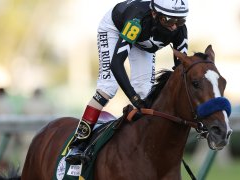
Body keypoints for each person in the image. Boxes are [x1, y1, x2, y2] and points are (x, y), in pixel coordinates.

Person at [65, 0, 189, 164]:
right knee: (107, 87)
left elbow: (181, 72)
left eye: (179, 20)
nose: (174, 26)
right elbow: (116, 63)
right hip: (115, 29)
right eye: (169, 20)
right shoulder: (137, 21)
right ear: (154, 13)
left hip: (143, 41)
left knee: (145, 92)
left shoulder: (180, 30)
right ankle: (78, 143)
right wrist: (133, 98)